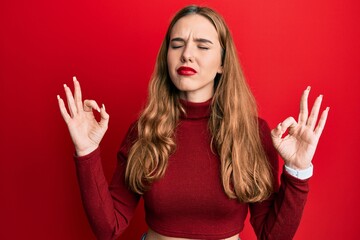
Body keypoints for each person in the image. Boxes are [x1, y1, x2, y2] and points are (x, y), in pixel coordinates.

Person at [57, 5, 329, 240]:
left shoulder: (252, 132)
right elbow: (108, 228)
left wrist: (297, 171)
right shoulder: (144, 131)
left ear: (223, 62)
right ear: (167, 57)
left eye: (202, 45)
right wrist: (86, 152)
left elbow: (273, 236)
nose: (187, 54)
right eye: (177, 44)